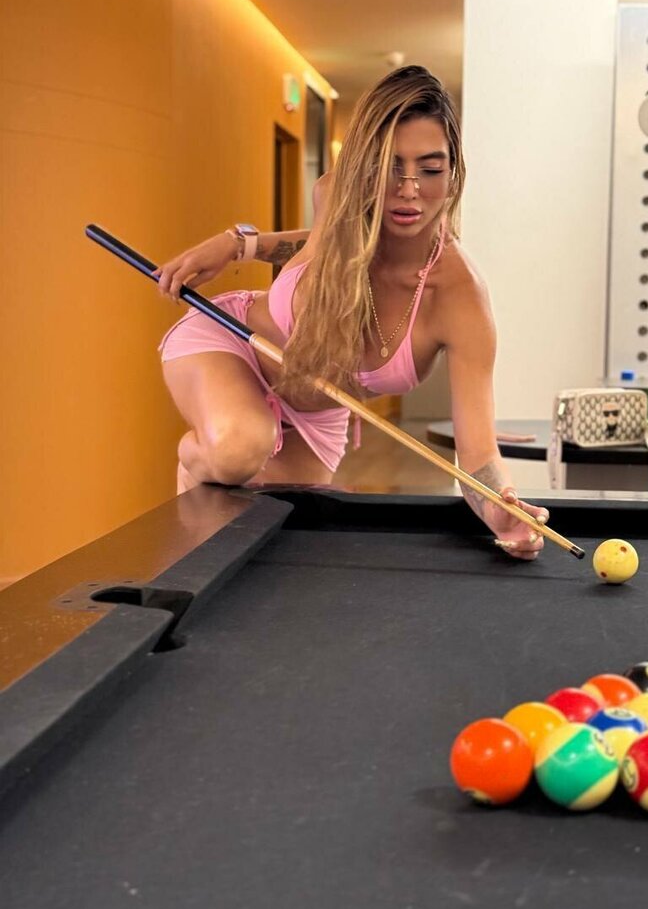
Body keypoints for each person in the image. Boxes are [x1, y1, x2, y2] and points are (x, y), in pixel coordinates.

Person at [155, 65, 548, 560]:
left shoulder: (461, 298)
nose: (409, 189)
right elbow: (313, 244)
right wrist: (239, 244)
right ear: (364, 166)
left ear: (453, 174)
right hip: (234, 342)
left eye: (430, 170)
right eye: (390, 168)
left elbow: (478, 454)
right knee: (237, 450)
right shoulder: (336, 199)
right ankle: (195, 461)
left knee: (287, 554)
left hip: (314, 417)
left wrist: (499, 506)